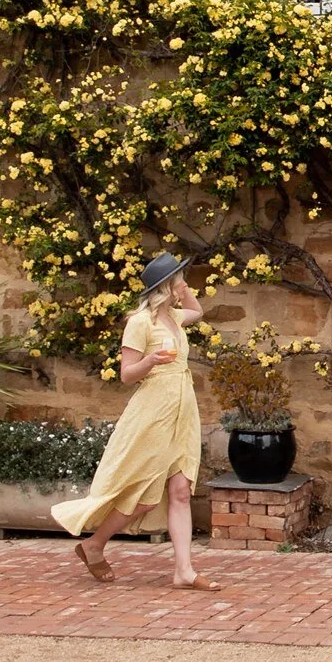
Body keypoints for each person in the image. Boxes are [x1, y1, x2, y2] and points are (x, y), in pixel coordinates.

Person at [50, 252, 217, 589]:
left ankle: (184, 571)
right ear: (165, 286)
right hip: (153, 412)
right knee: (144, 494)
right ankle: (95, 544)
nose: (185, 281)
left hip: (183, 411)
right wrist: (152, 360)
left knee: (181, 490)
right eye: (179, 277)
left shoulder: (174, 317)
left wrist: (183, 289)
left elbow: (198, 311)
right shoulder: (140, 323)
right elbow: (127, 375)